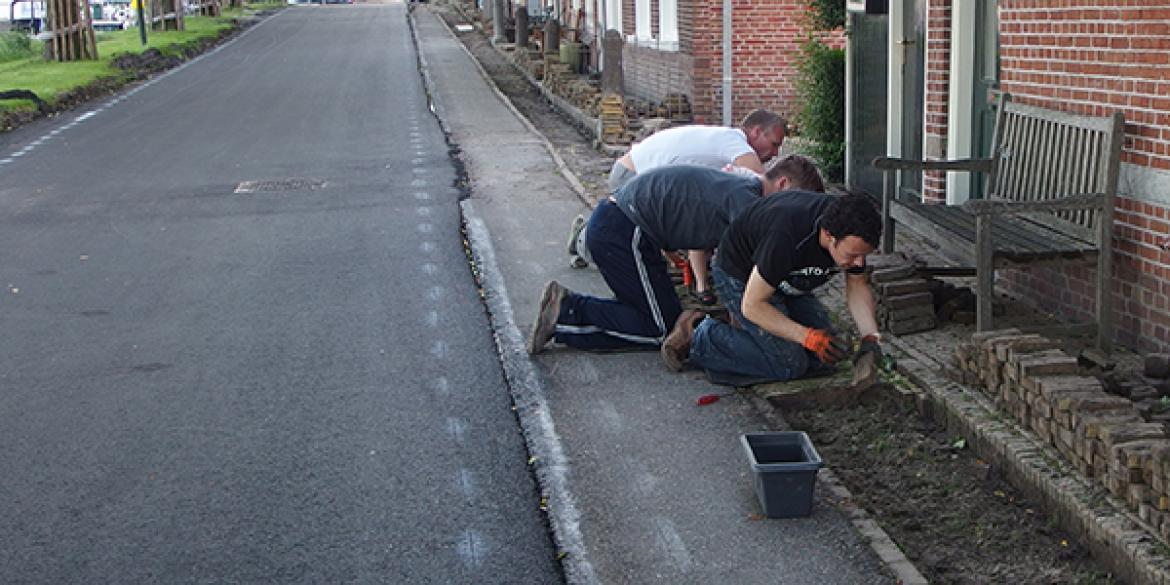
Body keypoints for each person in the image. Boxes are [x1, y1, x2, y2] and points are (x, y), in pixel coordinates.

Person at [528, 158, 823, 355]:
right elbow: (745, 270)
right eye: (796, 202)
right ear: (783, 185)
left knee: (657, 315)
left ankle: (579, 312)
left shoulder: (744, 190)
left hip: (629, 227)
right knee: (658, 329)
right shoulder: (746, 202)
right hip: (624, 230)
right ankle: (566, 312)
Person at [659, 190, 884, 386]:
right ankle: (700, 334)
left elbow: (857, 284)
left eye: (864, 256)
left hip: (786, 281)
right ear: (828, 235)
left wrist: (870, 338)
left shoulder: (848, 225)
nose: (859, 264)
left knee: (824, 357)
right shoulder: (786, 235)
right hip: (741, 278)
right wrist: (806, 336)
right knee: (789, 364)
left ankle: (742, 332)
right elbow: (753, 305)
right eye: (853, 255)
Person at [566, 109, 789, 304]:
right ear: (757, 132)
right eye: (774, 143)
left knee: (641, 241)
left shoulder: (723, 138)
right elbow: (764, 194)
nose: (776, 153)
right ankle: (583, 240)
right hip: (634, 175)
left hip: (637, 169)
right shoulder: (736, 144)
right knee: (627, 242)